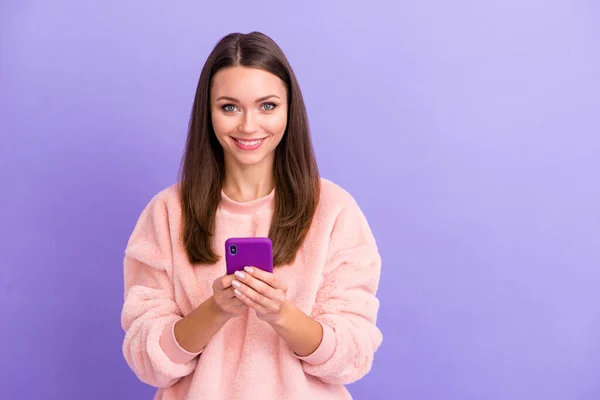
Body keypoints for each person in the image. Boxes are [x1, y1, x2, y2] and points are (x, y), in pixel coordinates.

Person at [120, 31, 383, 400]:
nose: (248, 125)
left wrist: (281, 314)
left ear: (290, 109)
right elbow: (147, 361)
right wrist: (214, 310)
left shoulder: (334, 211)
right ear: (207, 112)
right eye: (229, 107)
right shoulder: (167, 213)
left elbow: (352, 357)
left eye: (267, 106)